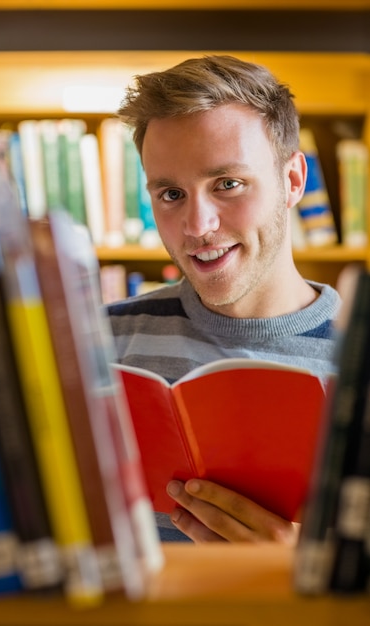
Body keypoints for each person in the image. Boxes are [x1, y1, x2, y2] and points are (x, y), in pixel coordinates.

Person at [106, 55, 341, 544]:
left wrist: (303, 565)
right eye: (171, 194)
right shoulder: (96, 340)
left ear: (293, 181)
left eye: (228, 184)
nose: (198, 227)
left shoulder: (356, 353)